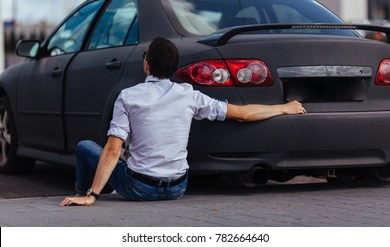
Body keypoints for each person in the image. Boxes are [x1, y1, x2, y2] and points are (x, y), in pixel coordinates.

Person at [59, 37, 306, 207]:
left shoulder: (129, 96)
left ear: (146, 65)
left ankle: (83, 194)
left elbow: (113, 150)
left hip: (140, 189)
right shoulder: (188, 94)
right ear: (174, 68)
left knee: (85, 147)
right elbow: (242, 114)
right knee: (129, 158)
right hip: (178, 188)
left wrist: (92, 194)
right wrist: (285, 107)